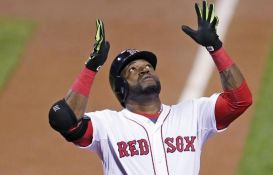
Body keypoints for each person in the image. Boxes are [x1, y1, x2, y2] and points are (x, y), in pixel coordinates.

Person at [48, 1, 252, 174]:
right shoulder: (108, 125)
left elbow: (240, 101)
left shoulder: (194, 115)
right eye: (132, 70)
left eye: (147, 66)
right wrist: (91, 68)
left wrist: (215, 47)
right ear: (121, 87)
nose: (144, 70)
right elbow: (65, 120)